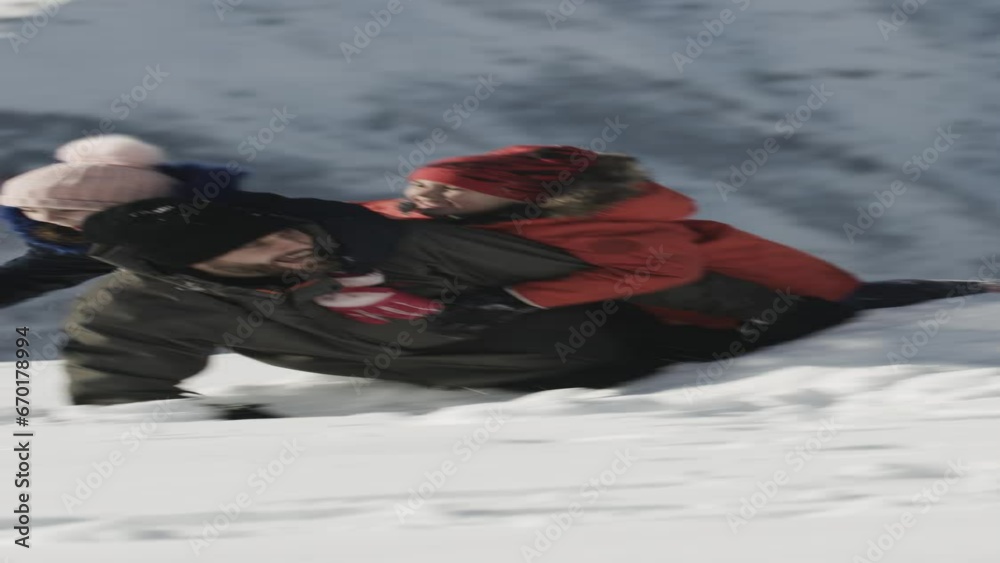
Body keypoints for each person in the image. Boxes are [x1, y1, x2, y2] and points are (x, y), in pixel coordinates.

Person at [58, 191, 710, 410]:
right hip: (475, 405)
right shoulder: (152, 304)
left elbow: (630, 267)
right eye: (254, 247)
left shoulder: (400, 247)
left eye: (279, 229)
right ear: (189, 269)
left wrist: (740, 327)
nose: (289, 243)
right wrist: (220, 433)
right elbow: (116, 382)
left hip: (637, 364)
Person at [363, 145, 997, 350]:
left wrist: (518, 299)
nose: (425, 198)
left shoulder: (588, 223)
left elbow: (663, 268)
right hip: (703, 295)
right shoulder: (444, 212)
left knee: (862, 302)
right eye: (420, 186)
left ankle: (970, 289)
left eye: (447, 190)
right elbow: (369, 216)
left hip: (764, 291)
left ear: (506, 197)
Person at [0, 135, 247, 308]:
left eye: (73, 211)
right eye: (36, 211)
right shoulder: (76, 245)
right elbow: (24, 279)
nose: (60, 220)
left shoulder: (241, 226)